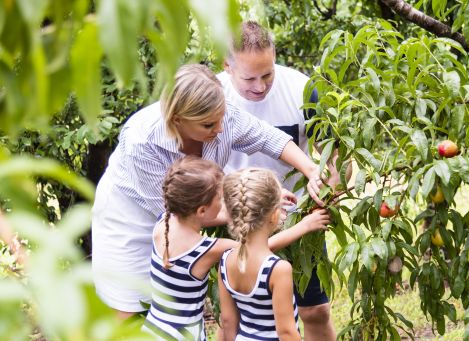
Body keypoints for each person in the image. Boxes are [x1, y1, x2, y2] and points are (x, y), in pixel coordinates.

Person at [91, 64, 325, 319]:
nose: (221, 128)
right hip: (130, 220)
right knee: (128, 309)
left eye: (222, 116)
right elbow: (181, 213)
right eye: (208, 124)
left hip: (182, 217)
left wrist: (311, 169)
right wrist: (259, 204)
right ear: (178, 119)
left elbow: (268, 137)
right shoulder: (142, 142)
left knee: (170, 307)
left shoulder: (223, 118)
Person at [217, 21, 340, 340]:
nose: (260, 87)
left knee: (315, 309)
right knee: (247, 316)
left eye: (267, 74)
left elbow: (331, 156)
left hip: (297, 216)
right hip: (239, 222)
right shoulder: (212, 97)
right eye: (249, 78)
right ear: (227, 67)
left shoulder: (302, 88)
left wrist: (330, 179)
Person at [142, 157, 330, 340]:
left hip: (153, 328)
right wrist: (303, 226)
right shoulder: (207, 249)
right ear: (201, 210)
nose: (225, 203)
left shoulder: (164, 221)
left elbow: (228, 319)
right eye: (220, 198)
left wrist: (262, 201)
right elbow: (255, 251)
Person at [218, 168, 302, 341]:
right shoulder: (278, 269)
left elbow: (227, 321)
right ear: (275, 215)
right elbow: (286, 332)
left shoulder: (225, 262)